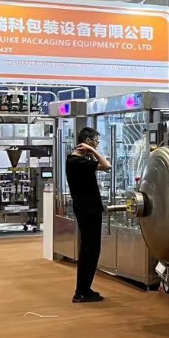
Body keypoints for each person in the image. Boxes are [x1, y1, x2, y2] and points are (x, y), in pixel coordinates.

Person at [66, 126, 111, 303]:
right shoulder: (77, 162)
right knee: (90, 250)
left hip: (88, 209)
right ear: (87, 141)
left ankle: (84, 289)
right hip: (88, 210)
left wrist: (90, 151)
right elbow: (106, 165)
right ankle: (82, 291)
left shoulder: (77, 160)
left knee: (91, 249)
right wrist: (92, 151)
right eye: (96, 142)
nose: (97, 145)